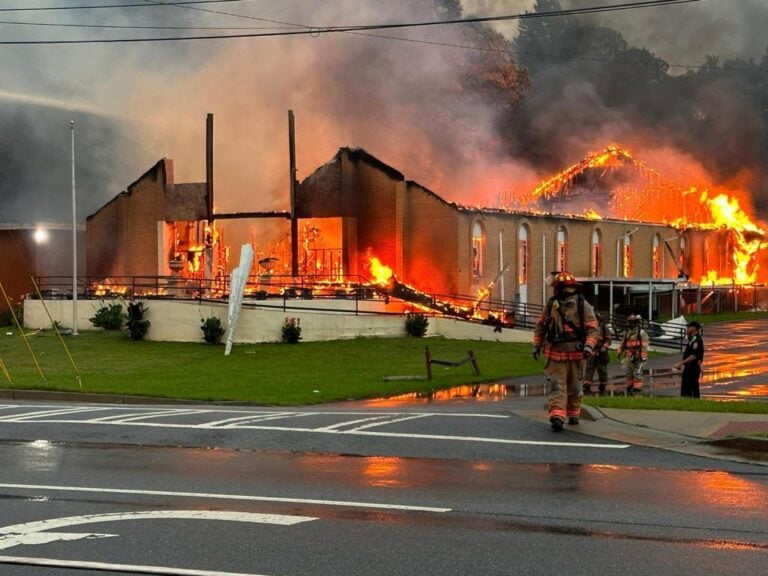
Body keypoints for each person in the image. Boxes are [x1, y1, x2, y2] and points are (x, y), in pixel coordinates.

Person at [533, 271, 599, 432]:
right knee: (557, 385)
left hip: (576, 354)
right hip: (555, 354)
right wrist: (537, 345)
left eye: (556, 287)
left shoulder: (582, 305)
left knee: (575, 387)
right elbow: (541, 326)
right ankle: (557, 417)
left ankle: (573, 414)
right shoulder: (551, 305)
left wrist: (588, 347)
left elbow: (593, 329)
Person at [617, 314, 649, 395]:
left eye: (632, 322)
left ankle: (637, 387)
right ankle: (630, 384)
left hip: (638, 355)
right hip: (628, 355)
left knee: (637, 371)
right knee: (627, 370)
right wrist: (619, 351)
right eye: (629, 322)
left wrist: (643, 356)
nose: (630, 324)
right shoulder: (627, 332)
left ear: (636, 323)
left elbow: (644, 345)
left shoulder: (641, 333)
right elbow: (623, 343)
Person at [583, 313, 613, 396]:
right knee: (589, 369)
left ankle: (602, 385)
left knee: (602, 370)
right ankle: (587, 385)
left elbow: (608, 339)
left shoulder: (604, 328)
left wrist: (604, 347)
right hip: (592, 351)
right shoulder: (589, 328)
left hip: (601, 352)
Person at [674, 320, 704, 398]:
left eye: (689, 327)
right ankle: (686, 403)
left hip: (693, 369)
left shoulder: (697, 340)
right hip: (689, 368)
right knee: (685, 389)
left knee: (693, 389)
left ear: (694, 328)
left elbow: (693, 356)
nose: (687, 328)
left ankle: (694, 404)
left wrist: (681, 363)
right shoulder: (692, 339)